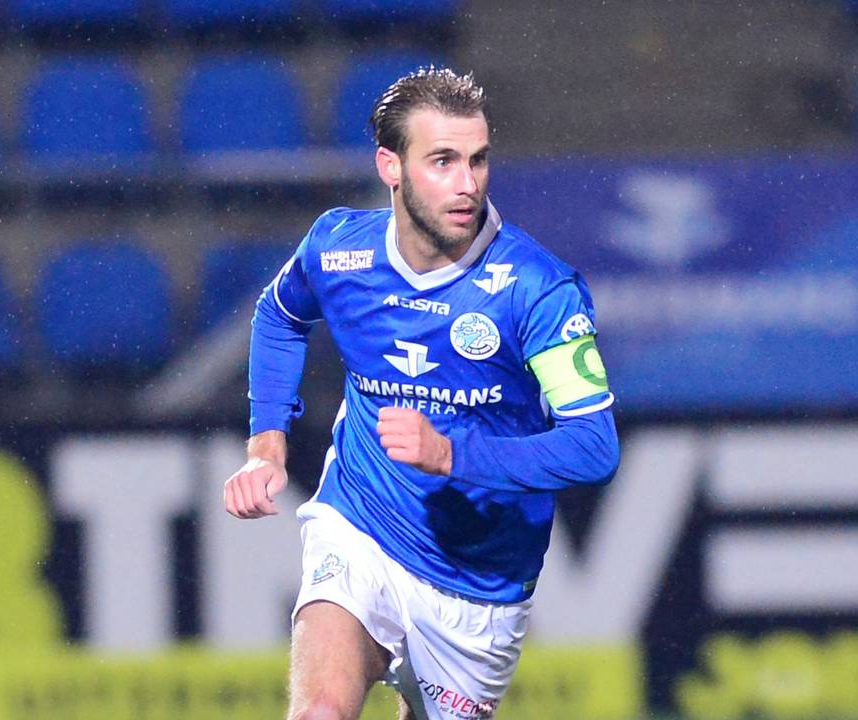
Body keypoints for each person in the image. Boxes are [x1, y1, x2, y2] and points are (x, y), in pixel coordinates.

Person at [224, 67, 620, 720]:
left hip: (479, 586)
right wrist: (267, 445)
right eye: (442, 161)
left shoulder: (538, 290)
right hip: (362, 524)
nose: (466, 184)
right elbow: (280, 315)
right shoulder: (339, 249)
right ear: (391, 166)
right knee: (320, 711)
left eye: (478, 160)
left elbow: (593, 447)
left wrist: (453, 455)